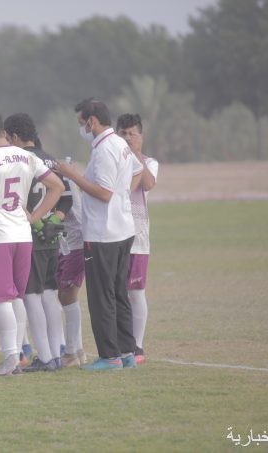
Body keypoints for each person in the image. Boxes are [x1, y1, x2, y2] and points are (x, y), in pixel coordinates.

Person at [0, 111, 64, 376]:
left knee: (2, 299)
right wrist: (34, 216)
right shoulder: (27, 156)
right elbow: (57, 186)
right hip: (23, 235)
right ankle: (20, 355)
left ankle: (11, 356)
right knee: (16, 297)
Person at [56, 99, 143, 371]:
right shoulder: (119, 143)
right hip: (123, 228)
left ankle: (110, 355)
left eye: (82, 123)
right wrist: (121, 197)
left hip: (103, 234)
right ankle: (127, 352)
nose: (82, 128)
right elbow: (134, 173)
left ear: (92, 121)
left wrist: (72, 175)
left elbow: (104, 193)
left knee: (101, 296)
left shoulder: (105, 148)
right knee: (118, 293)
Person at [3, 113, 73, 372]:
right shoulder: (51, 159)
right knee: (50, 294)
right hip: (51, 236)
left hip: (29, 236)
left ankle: (44, 356)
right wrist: (54, 218)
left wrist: (35, 218)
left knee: (31, 296)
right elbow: (66, 198)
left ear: (15, 137)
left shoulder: (20, 160)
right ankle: (56, 354)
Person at [116, 113, 159, 365]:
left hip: (138, 235)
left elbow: (149, 183)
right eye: (123, 133)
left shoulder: (149, 162)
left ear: (141, 137)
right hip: (114, 232)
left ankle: (137, 345)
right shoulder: (113, 160)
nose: (128, 138)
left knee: (136, 291)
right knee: (116, 291)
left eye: (132, 134)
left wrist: (135, 155)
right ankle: (121, 343)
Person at [56, 175, 88, 367]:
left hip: (76, 242)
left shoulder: (61, 178)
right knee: (64, 295)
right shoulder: (60, 174)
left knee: (69, 295)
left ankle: (71, 353)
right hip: (65, 242)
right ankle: (77, 350)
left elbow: (66, 206)